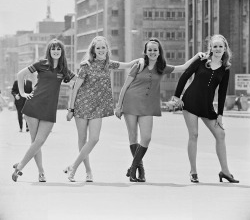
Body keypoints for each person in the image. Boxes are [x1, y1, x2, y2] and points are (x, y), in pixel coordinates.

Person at [114, 38, 204, 182]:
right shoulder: (138, 65)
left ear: (159, 52)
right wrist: (119, 106)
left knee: (146, 137)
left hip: (148, 106)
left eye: (155, 50)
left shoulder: (162, 68)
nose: (152, 52)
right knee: (133, 136)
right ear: (145, 52)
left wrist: (197, 56)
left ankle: (133, 167)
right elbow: (125, 86)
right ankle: (139, 171)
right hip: (131, 102)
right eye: (149, 50)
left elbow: (183, 67)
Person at [64, 36, 143, 182]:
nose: (101, 50)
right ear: (93, 50)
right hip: (81, 105)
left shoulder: (109, 64)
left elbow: (128, 64)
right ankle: (88, 172)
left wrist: (141, 60)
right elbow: (75, 88)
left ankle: (73, 166)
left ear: (107, 49)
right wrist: (71, 108)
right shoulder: (86, 65)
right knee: (82, 139)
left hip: (98, 107)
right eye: (98, 47)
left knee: (94, 139)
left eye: (103, 47)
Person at [173, 34, 239, 183]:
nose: (217, 49)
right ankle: (193, 171)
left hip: (206, 106)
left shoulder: (225, 69)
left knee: (220, 134)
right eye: (214, 46)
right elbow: (185, 76)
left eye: (220, 46)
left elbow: (222, 93)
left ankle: (225, 171)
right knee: (194, 135)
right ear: (211, 48)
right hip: (190, 102)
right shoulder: (201, 60)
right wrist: (177, 97)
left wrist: (220, 114)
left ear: (225, 49)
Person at [12, 38, 75, 182]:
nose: (56, 51)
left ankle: (20, 165)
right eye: (53, 49)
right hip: (33, 105)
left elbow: (77, 81)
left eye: (58, 49)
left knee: (38, 142)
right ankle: (40, 172)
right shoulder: (42, 64)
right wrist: (22, 93)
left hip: (49, 109)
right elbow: (21, 74)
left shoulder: (63, 69)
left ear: (62, 52)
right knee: (35, 141)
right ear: (49, 50)